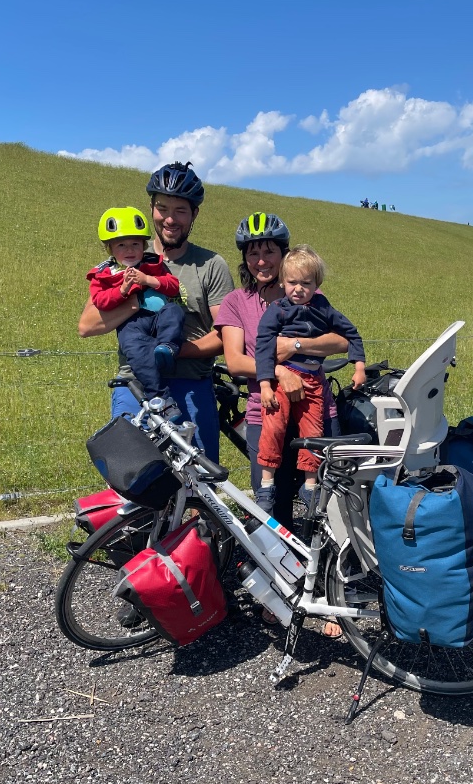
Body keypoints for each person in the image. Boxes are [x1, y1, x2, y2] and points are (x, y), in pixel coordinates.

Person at [78, 162, 233, 461]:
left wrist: (176, 350)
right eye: (163, 208)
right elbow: (87, 325)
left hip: (191, 384)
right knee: (136, 480)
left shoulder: (211, 265)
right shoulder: (125, 255)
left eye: (181, 211)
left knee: (198, 487)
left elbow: (225, 336)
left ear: (195, 214)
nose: (170, 219)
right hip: (134, 385)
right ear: (151, 208)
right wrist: (136, 301)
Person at [214, 214, 348, 528]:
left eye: (269, 252)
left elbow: (341, 342)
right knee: (273, 507)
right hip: (267, 411)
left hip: (316, 411)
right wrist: (281, 371)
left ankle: (325, 572)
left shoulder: (311, 298)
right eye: (253, 253)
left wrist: (295, 346)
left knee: (328, 504)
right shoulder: (236, 302)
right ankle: (282, 574)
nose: (261, 261)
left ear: (284, 255)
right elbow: (234, 361)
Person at [253, 245, 366, 513]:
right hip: (282, 380)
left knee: (312, 432)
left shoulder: (323, 308)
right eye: (292, 282)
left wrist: (359, 366)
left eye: (306, 283)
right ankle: (266, 484)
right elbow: (263, 347)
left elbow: (351, 333)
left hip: (313, 381)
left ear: (317, 284)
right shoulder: (276, 310)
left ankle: (310, 485)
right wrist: (266, 385)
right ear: (282, 281)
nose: (298, 289)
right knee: (274, 427)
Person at [87, 207, 184, 403]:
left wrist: (148, 279)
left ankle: (167, 348)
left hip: (158, 319)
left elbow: (173, 286)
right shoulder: (105, 274)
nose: (129, 250)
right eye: (121, 245)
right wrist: (122, 290)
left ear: (144, 245)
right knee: (136, 351)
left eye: (135, 244)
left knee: (174, 311)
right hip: (131, 325)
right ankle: (160, 398)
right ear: (110, 249)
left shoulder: (153, 264)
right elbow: (100, 301)